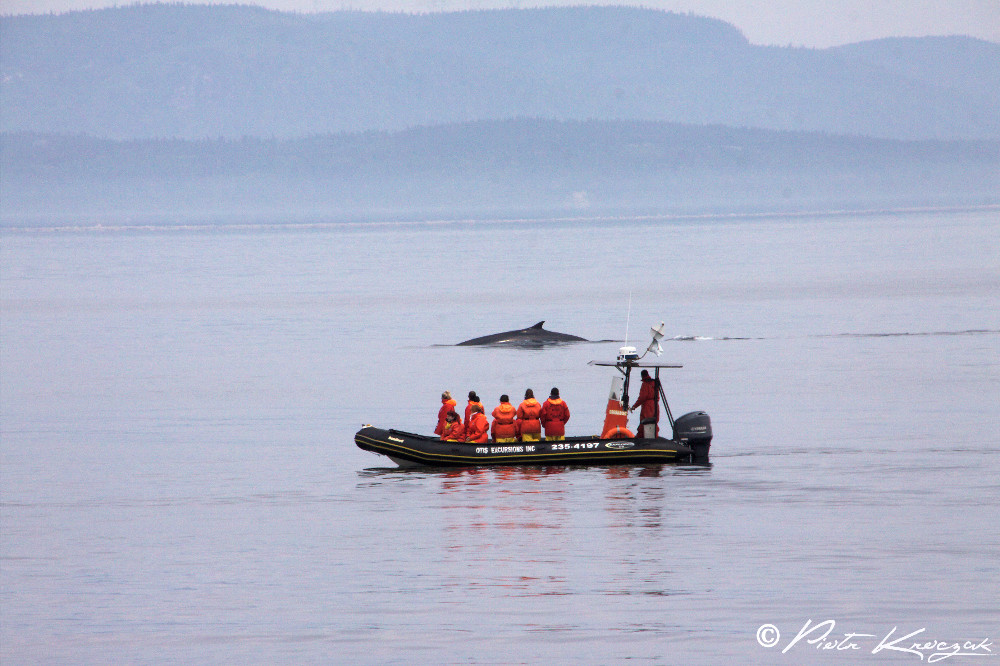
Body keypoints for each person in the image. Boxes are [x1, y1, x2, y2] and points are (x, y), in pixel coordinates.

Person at [629, 370, 660, 437]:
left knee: (645, 421)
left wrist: (634, 406)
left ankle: (641, 437)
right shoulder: (654, 383)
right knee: (654, 422)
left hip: (648, 406)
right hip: (655, 405)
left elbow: (642, 397)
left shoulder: (645, 384)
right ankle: (655, 436)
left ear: (642, 376)